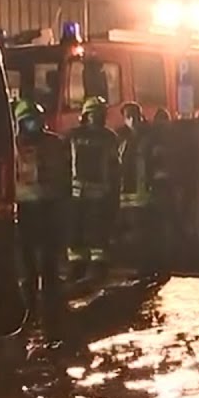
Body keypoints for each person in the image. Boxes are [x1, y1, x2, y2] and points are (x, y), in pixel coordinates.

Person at [12, 99, 71, 328]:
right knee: (26, 260)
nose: (33, 124)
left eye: (35, 119)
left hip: (49, 205)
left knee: (49, 259)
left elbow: (66, 171)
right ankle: (30, 307)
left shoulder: (55, 143)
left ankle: (51, 306)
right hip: (24, 207)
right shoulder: (13, 145)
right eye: (28, 120)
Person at [66, 96, 120, 282]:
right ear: (85, 115)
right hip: (77, 194)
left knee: (97, 234)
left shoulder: (108, 137)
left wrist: (114, 194)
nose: (96, 118)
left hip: (98, 195)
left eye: (99, 114)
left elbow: (114, 167)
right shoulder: (74, 136)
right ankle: (78, 267)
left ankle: (97, 269)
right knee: (76, 233)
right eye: (93, 114)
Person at [116, 102, 163, 277]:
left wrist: (154, 188)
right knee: (137, 234)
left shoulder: (149, 138)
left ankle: (149, 268)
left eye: (134, 116)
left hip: (145, 193)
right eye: (128, 117)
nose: (132, 120)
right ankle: (145, 267)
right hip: (129, 194)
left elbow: (156, 165)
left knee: (145, 233)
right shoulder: (124, 139)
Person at [149, 108, 176, 273]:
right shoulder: (173, 138)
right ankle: (166, 260)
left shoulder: (153, 139)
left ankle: (161, 260)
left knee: (159, 225)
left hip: (159, 187)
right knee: (165, 224)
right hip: (167, 187)